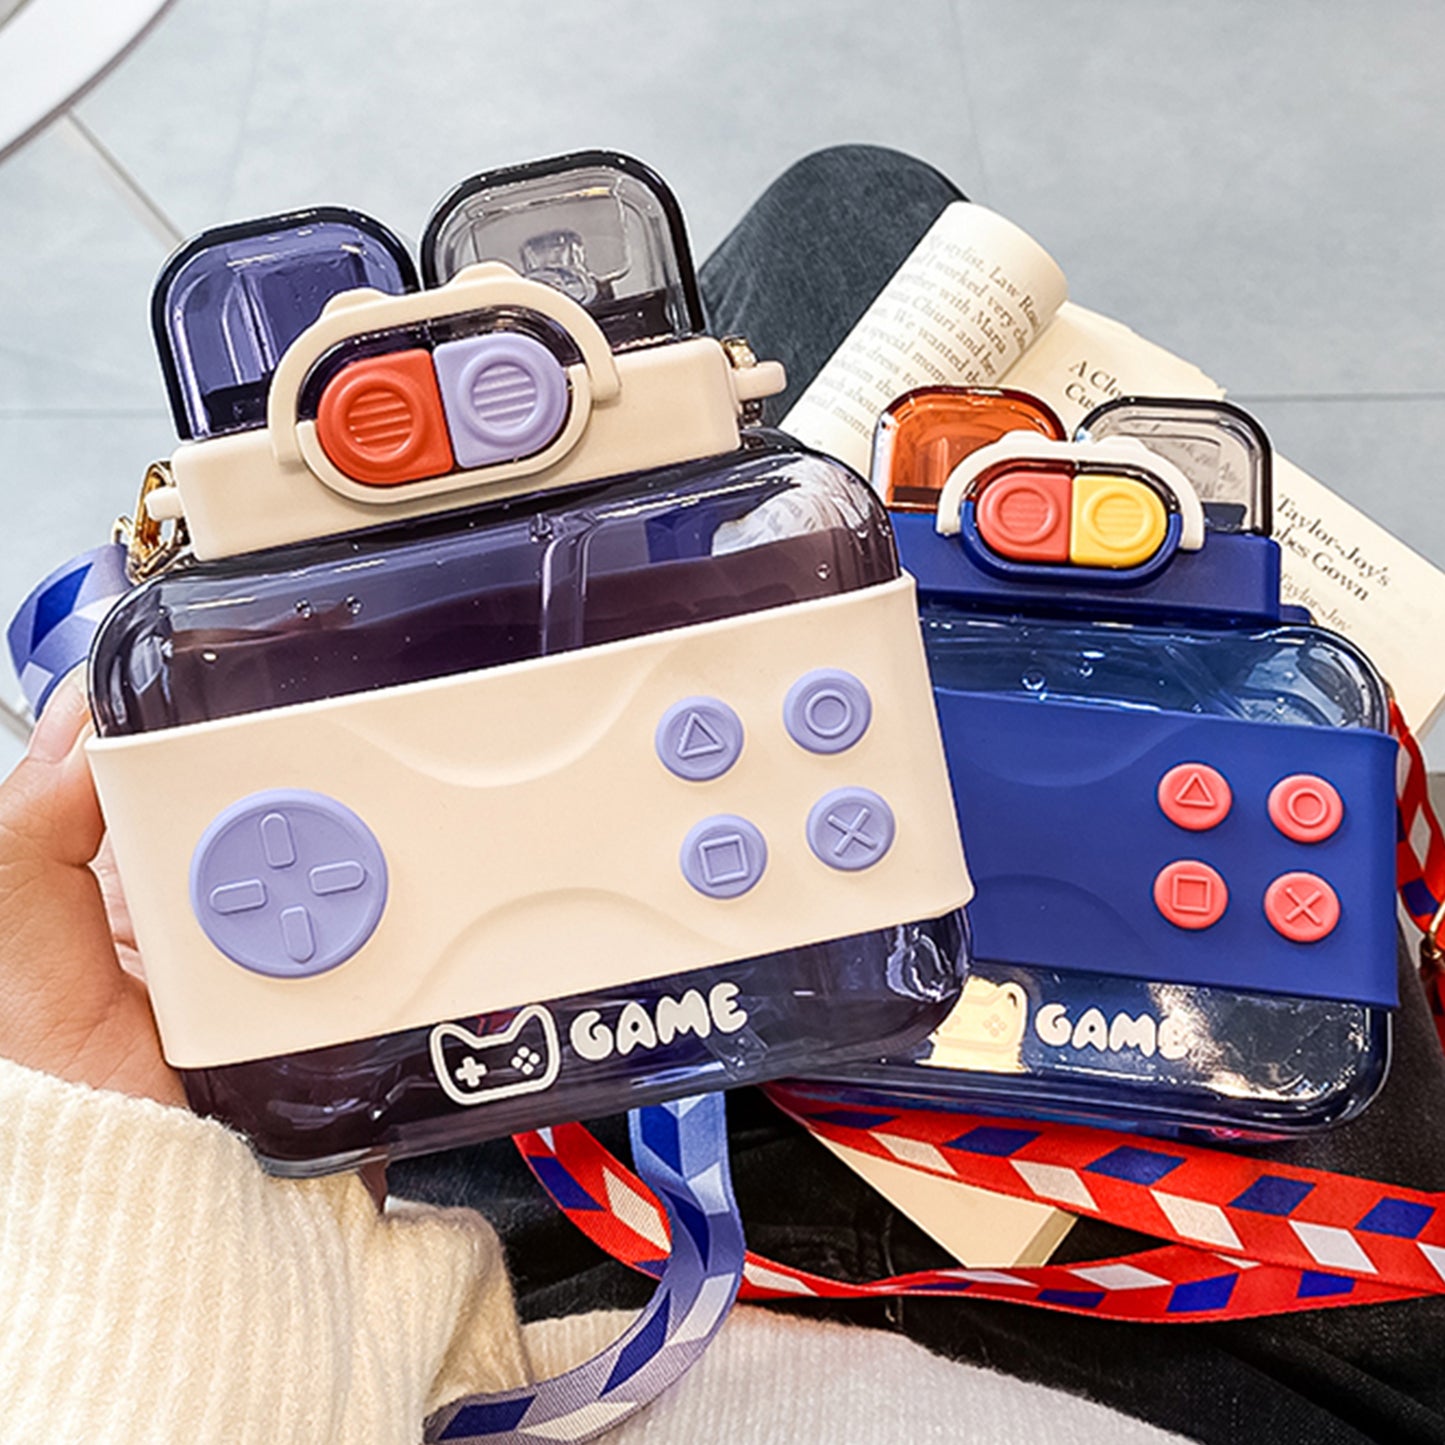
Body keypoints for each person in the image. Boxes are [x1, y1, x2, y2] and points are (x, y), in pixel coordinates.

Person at [0, 145, 1439, 1444]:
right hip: (1258, 1367)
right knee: (859, 204)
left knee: (845, 212)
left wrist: (145, 1202)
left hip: (549, 1285)